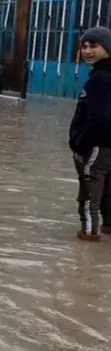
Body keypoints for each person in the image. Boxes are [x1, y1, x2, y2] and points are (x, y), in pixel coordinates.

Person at [69, 25, 111, 242]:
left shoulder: (99, 80)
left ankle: (89, 236)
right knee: (106, 191)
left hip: (96, 147)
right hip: (107, 147)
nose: (87, 51)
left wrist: (81, 142)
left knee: (88, 193)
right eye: (84, 46)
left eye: (93, 46)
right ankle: (107, 229)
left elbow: (99, 118)